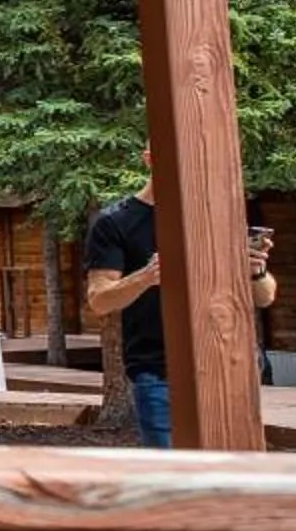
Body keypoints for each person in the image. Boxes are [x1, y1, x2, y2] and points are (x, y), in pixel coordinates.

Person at [80, 158, 278, 449]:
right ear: (149, 157)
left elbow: (265, 296)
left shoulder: (218, 218)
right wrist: (145, 277)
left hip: (231, 367)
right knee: (176, 479)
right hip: (160, 372)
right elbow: (99, 300)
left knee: (233, 480)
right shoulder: (116, 222)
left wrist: (256, 271)